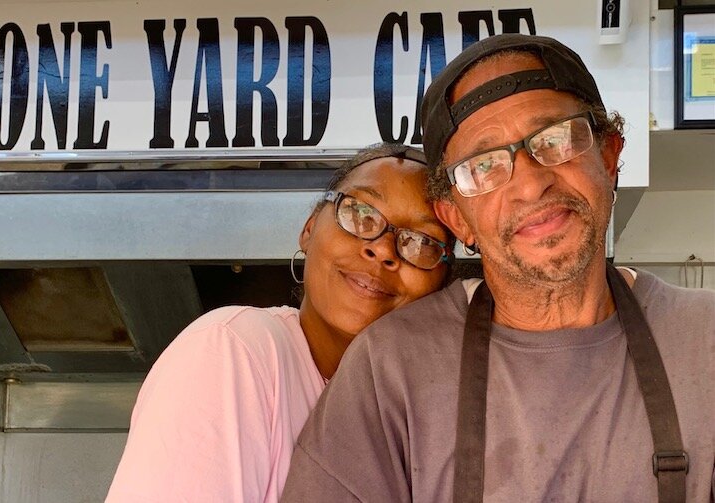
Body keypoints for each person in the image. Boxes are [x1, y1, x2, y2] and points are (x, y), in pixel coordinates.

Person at [281, 34, 715, 502]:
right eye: (482, 166)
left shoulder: (706, 339)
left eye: (554, 140)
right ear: (455, 218)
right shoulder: (390, 369)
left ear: (609, 157)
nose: (531, 184)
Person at [105, 143, 455, 502]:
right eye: (361, 214)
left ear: (443, 282)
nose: (382, 249)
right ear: (309, 230)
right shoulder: (234, 350)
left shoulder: (413, 422)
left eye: (421, 242)